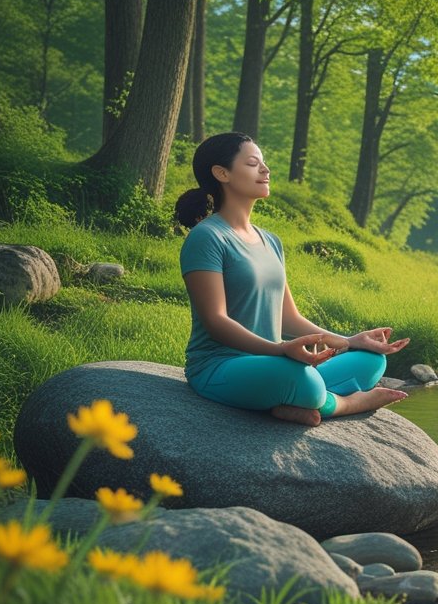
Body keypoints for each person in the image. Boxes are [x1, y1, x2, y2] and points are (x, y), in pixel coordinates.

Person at [174, 132, 410, 426]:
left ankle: (289, 403)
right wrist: (280, 350)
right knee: (303, 380)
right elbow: (216, 322)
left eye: (264, 163)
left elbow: (288, 319)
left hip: (275, 363)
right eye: (252, 163)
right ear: (222, 173)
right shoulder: (207, 237)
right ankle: (345, 403)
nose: (265, 170)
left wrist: (348, 341)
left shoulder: (271, 241)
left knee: (372, 360)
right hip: (221, 366)